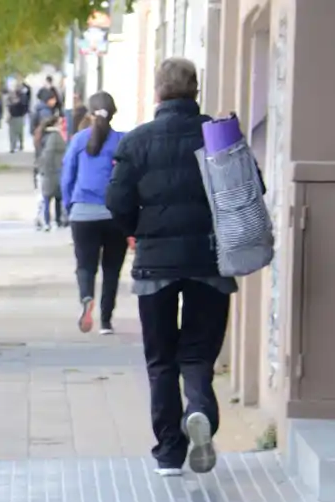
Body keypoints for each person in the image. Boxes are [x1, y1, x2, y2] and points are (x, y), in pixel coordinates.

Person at [105, 57, 236, 478]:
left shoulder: (137, 142)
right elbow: (249, 188)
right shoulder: (219, 136)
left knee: (161, 359)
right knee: (197, 353)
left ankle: (168, 453)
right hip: (210, 260)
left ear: (158, 92)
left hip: (154, 266)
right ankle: (199, 411)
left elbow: (117, 202)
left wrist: (138, 233)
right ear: (196, 91)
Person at [60, 91, 126, 335]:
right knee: (112, 270)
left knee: (85, 265)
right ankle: (106, 320)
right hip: (113, 215)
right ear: (113, 113)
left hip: (83, 213)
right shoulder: (123, 140)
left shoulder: (78, 140)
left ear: (89, 113)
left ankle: (86, 297)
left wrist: (69, 207)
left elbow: (67, 177)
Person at [36, 117, 67, 230]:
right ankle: (54, 221)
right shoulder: (55, 137)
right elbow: (50, 154)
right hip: (54, 173)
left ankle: (46, 221)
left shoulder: (44, 135)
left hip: (47, 173)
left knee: (46, 199)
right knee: (55, 199)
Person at [5, 80, 30, 152]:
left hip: (19, 115)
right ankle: (13, 147)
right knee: (12, 133)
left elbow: (25, 103)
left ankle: (20, 144)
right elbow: (7, 105)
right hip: (13, 116)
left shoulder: (22, 96)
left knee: (19, 132)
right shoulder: (10, 96)